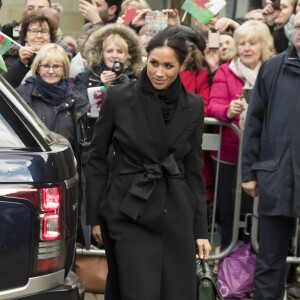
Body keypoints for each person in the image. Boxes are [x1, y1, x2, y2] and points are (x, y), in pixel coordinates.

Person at [85, 26, 211, 300]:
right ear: (146, 59)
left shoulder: (194, 106)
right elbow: (96, 158)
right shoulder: (118, 97)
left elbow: (193, 171)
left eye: (168, 66)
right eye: (154, 63)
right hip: (128, 208)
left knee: (176, 292)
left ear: (182, 65)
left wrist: (200, 230)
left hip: (176, 213)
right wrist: (94, 215)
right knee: (136, 291)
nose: (159, 72)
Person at [241, 10, 300, 300]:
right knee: (270, 259)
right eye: (298, 26)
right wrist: (249, 172)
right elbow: (254, 123)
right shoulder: (273, 68)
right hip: (278, 174)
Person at [15, 42, 91, 249]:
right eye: (46, 65)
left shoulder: (77, 100)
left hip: (67, 178)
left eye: (56, 66)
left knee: (66, 236)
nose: (50, 71)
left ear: (64, 70)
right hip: (35, 177)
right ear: (37, 67)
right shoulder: (22, 96)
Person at [207, 20, 275, 250]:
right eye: (242, 43)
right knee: (228, 209)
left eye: (253, 43)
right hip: (229, 152)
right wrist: (228, 110)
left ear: (263, 45)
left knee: (257, 211)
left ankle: (254, 263)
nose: (247, 48)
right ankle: (228, 266)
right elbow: (212, 104)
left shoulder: (273, 70)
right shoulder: (226, 71)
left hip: (265, 154)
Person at [2, 10, 57, 87]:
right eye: (34, 31)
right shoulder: (11, 56)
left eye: (44, 31)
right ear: (25, 36)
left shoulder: (59, 58)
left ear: (50, 37)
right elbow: (4, 87)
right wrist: (22, 63)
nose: (39, 36)